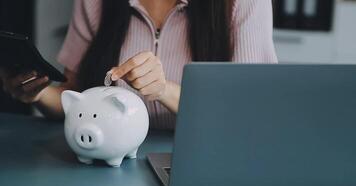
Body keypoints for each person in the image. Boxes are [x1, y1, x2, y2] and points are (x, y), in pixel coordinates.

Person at [0, 0, 277, 130]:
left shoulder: (244, 3)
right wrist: (36, 93)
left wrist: (164, 90)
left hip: (202, 160)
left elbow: (249, 113)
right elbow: (76, 97)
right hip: (109, 163)